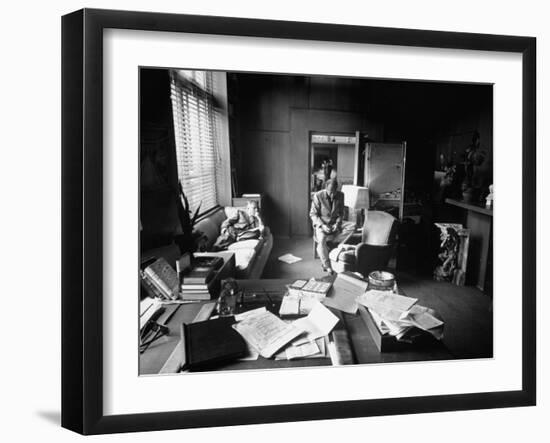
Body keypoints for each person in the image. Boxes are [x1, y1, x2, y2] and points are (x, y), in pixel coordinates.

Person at [310, 179, 354, 274]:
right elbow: (313, 214)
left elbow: (341, 213)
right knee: (321, 241)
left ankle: (332, 242)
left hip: (335, 223)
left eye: (334, 192)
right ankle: (327, 265)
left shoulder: (341, 195)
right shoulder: (318, 195)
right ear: (326, 188)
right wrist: (322, 226)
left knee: (353, 226)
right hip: (322, 224)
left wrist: (337, 224)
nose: (333, 195)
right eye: (330, 192)